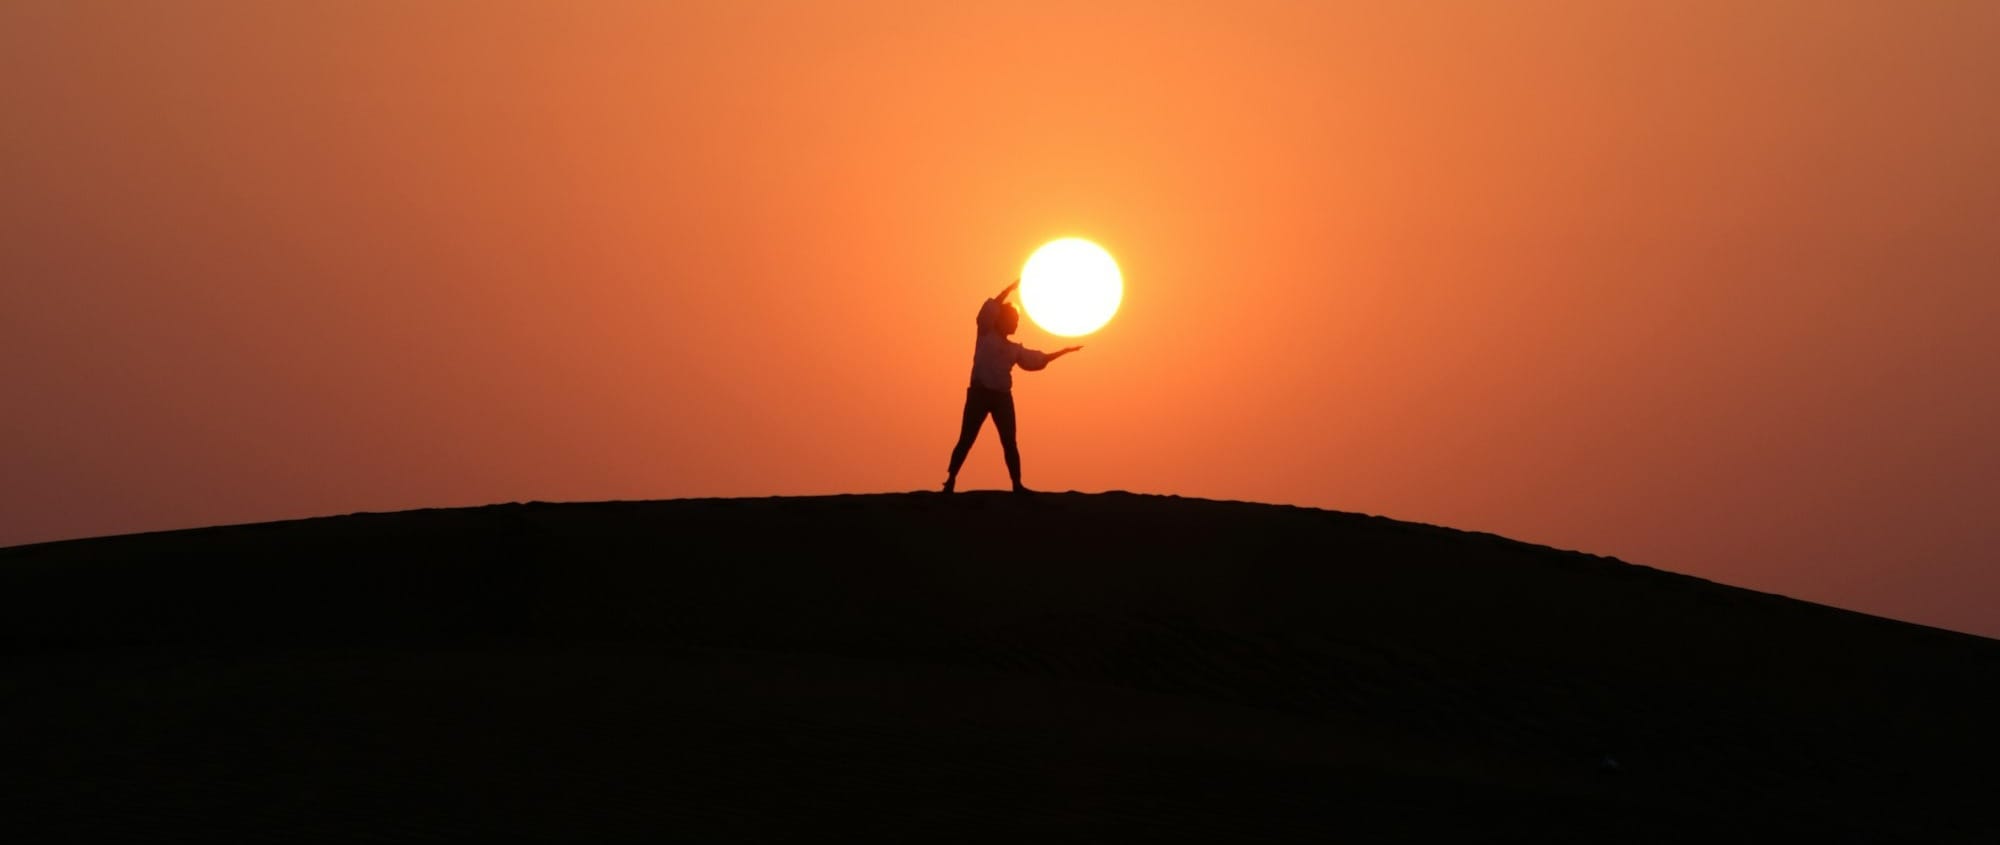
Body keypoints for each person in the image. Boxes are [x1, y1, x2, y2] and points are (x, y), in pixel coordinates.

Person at [942, 279, 1081, 494]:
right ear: (1002, 321)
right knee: (967, 438)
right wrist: (1008, 290)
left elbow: (1036, 359)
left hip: (1002, 398)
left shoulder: (1014, 349)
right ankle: (950, 480)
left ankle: (1017, 485)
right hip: (979, 393)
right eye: (1014, 320)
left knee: (1009, 442)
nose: (1016, 324)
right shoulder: (986, 333)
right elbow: (990, 309)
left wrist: (1063, 352)